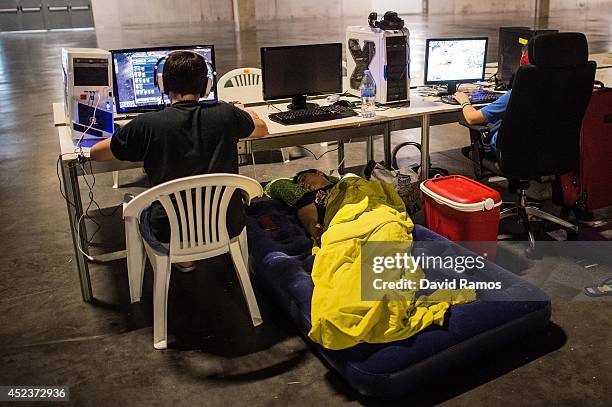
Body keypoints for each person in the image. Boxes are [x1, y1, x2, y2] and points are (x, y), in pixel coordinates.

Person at [90, 51, 268, 271]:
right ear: (206, 86)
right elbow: (261, 129)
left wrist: (125, 134)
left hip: (169, 231)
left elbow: (96, 153)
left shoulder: (146, 124)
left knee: (142, 207)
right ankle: (204, 245)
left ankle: (184, 257)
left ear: (163, 85)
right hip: (228, 224)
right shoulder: (226, 114)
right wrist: (244, 111)